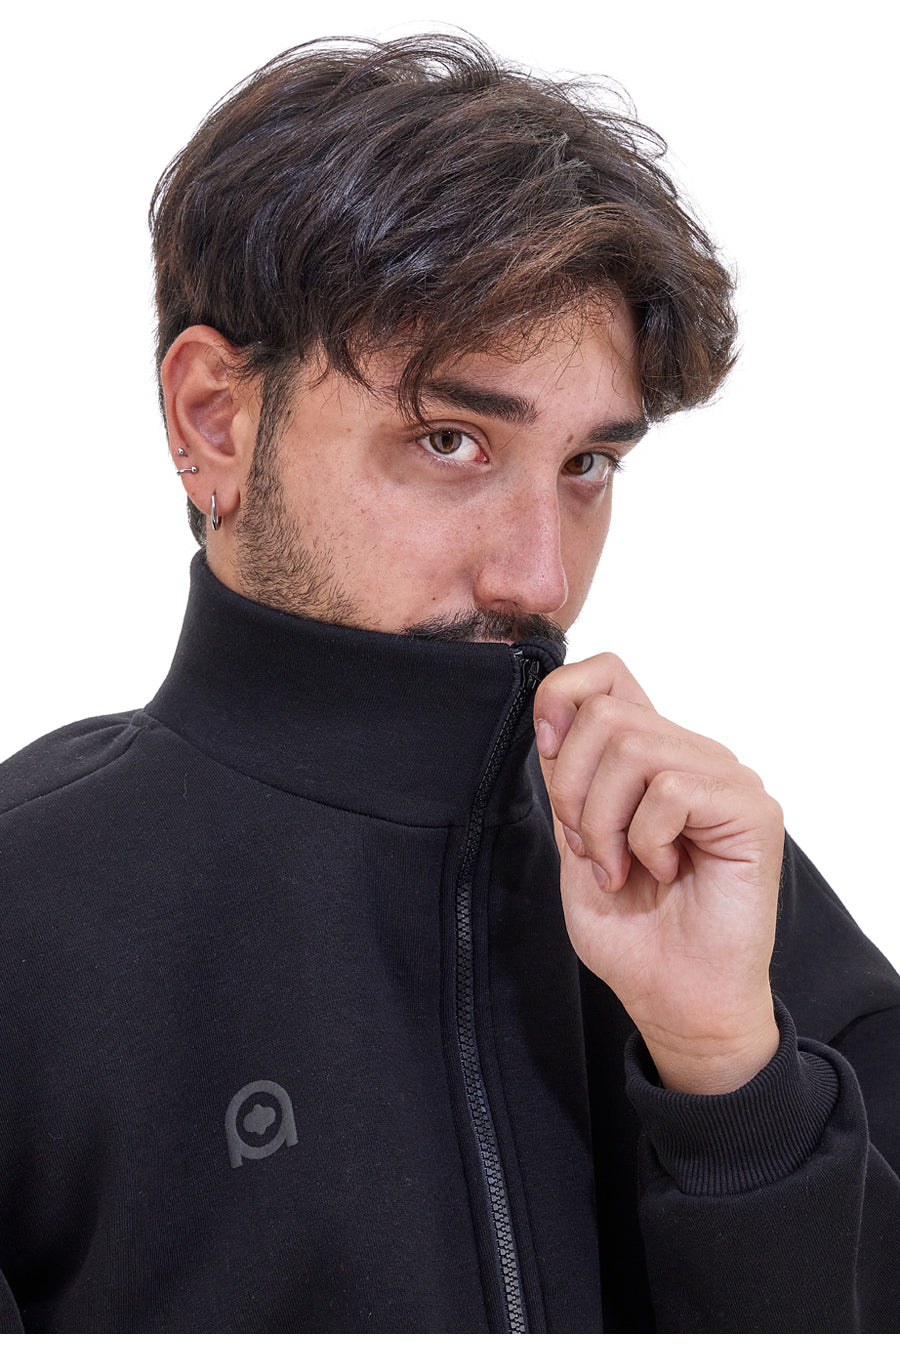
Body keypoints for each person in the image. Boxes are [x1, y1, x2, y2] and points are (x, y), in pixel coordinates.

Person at [1, 33, 897, 1334]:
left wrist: (729, 1080)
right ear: (214, 421)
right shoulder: (27, 913)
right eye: (450, 439)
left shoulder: (715, 887)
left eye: (588, 465)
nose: (542, 575)